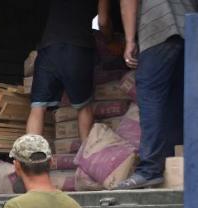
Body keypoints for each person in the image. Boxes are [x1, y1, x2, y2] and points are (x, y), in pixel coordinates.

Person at [115, 0, 198, 189]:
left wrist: (129, 40)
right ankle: (179, 166)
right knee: (180, 101)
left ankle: (149, 170)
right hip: (190, 30)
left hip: (158, 28)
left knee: (151, 95)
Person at [26, 0, 106, 140]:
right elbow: (103, 22)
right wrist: (109, 39)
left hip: (48, 48)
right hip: (76, 48)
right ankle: (86, 158)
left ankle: (29, 159)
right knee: (84, 107)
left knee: (38, 108)